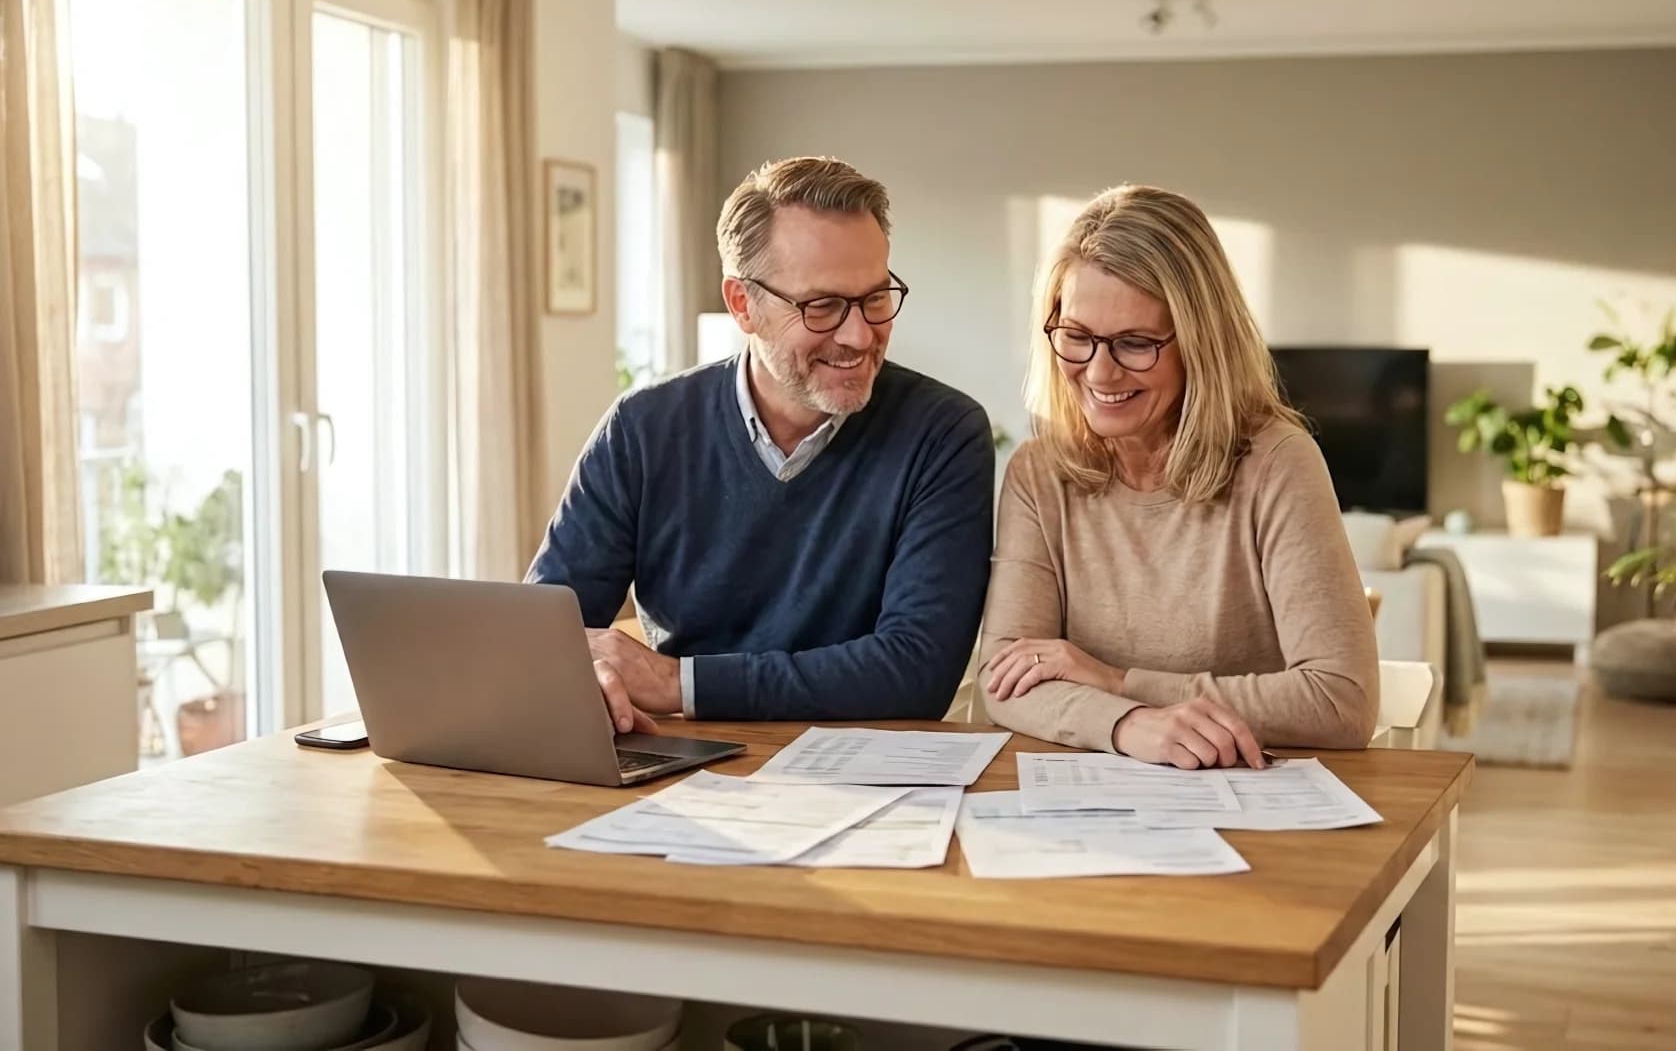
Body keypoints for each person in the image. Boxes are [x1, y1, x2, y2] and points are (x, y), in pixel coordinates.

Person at [528, 156, 994, 732]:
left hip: (871, 773)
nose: (859, 335)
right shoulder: (643, 428)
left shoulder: (942, 434)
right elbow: (546, 640)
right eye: (822, 307)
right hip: (682, 763)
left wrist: (677, 683)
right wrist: (591, 678)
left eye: (875, 299)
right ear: (743, 304)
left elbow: (917, 672)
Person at [979, 185, 1379, 768]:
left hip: (1248, 803)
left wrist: (1118, 683)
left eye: (1135, 343)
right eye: (1077, 337)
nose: (1099, 371)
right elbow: (1005, 679)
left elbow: (1341, 700)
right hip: (1086, 803)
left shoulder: (1277, 464)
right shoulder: (1039, 474)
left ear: (1201, 343)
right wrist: (1128, 726)